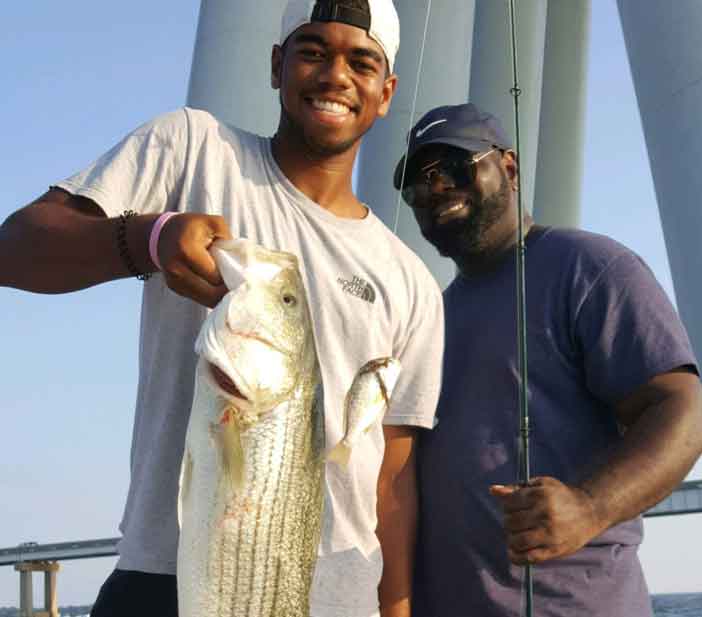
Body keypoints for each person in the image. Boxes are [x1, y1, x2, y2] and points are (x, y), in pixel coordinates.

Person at [0, 2, 444, 617]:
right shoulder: (192, 148)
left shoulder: (410, 281)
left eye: (361, 62)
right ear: (275, 65)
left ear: (386, 90)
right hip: (168, 578)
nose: (336, 75)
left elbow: (392, 475)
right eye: (312, 50)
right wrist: (149, 239)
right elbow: (16, 250)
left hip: (339, 596)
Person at [393, 103, 702, 617]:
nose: (435, 189)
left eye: (453, 166)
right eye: (417, 183)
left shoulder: (589, 268)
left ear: (509, 168)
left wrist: (589, 507)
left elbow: (684, 414)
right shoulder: (427, 317)